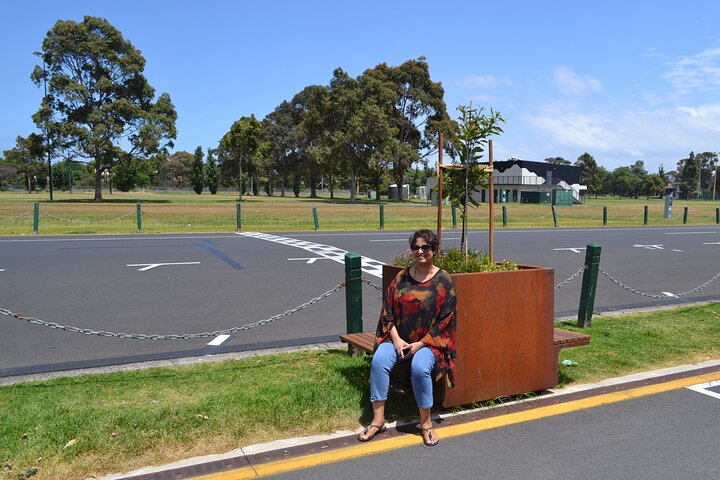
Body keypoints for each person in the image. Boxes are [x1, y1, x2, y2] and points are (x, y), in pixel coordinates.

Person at [358, 229, 457, 447]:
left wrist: (420, 344)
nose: (420, 251)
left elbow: (445, 321)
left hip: (428, 344)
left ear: (434, 249)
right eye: (416, 247)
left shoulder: (444, 281)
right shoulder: (402, 278)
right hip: (398, 339)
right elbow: (387, 312)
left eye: (425, 247)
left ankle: (426, 424)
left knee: (420, 367)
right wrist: (396, 340)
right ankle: (378, 420)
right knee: (379, 361)